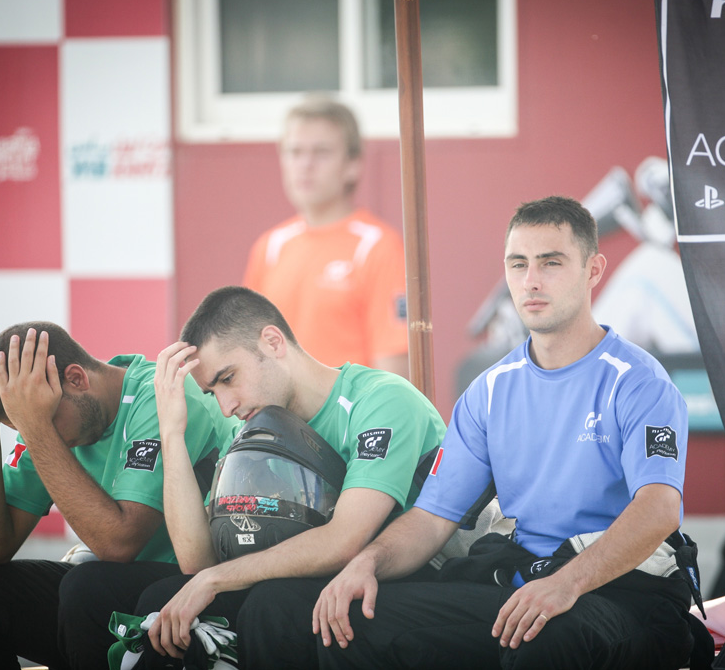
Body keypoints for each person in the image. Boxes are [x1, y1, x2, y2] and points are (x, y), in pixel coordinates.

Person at [236, 196, 700, 670]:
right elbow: (431, 520)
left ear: (593, 270)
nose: (531, 280)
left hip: (624, 596)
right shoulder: (489, 390)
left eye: (551, 262)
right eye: (517, 264)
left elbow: (659, 509)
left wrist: (568, 584)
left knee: (543, 636)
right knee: (332, 613)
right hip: (523, 590)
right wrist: (367, 562)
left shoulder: (637, 381)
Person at [57, 286, 445, 669]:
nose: (226, 407)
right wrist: (171, 433)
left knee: (268, 605)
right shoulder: (253, 430)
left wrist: (215, 580)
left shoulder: (379, 399)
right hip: (308, 585)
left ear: (273, 342)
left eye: (228, 378)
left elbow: (344, 540)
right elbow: (199, 561)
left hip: (408, 583)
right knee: (142, 597)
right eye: (212, 393)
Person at [0, 322, 234, 670]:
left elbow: (119, 544)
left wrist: (38, 427)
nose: (32, 433)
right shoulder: (43, 417)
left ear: (76, 379)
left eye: (39, 420)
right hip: (102, 600)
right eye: (23, 425)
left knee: (87, 586)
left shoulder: (158, 394)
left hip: (191, 594)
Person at [243, 96, 409, 376]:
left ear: (353, 164)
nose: (305, 164)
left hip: (350, 405)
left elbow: (394, 374)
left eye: (321, 152)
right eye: (295, 152)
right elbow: (249, 355)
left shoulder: (377, 247)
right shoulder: (270, 247)